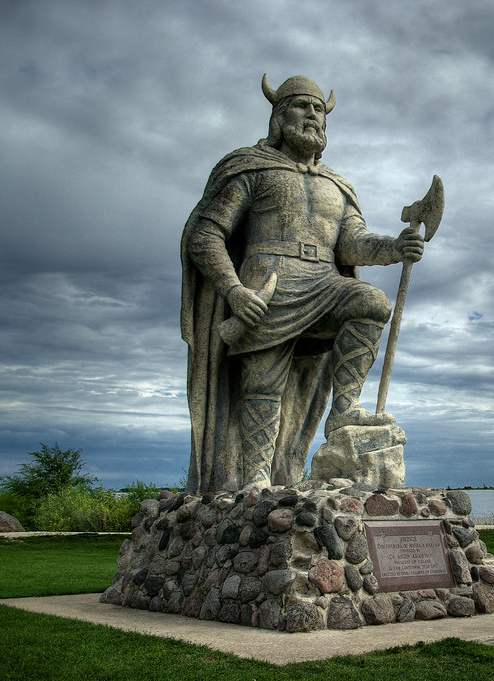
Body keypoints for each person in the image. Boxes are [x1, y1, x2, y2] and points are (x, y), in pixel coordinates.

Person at [181, 75, 423, 492]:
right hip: (268, 284)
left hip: (325, 282)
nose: (312, 115)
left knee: (371, 302)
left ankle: (345, 410)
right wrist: (234, 290)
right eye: (301, 106)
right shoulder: (250, 169)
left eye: (318, 110)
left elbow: (352, 244)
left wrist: (395, 247)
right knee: (263, 383)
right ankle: (256, 477)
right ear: (278, 116)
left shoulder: (336, 185)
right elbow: (206, 235)